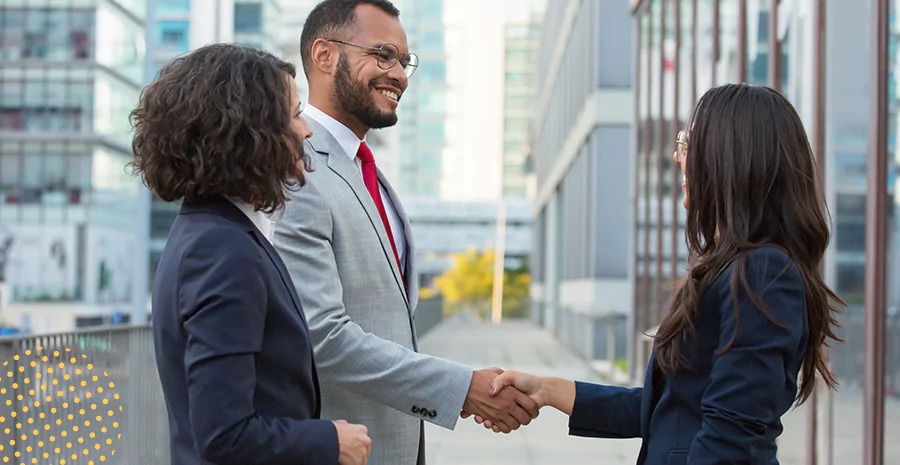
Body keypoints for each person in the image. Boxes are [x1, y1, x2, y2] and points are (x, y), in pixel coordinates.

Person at [481, 84, 844, 464]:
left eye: (688, 142)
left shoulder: (764, 274)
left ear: (731, 155)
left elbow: (728, 441)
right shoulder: (739, 268)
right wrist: (547, 389)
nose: (677, 156)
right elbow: (672, 410)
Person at [272, 1, 538, 464]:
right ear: (324, 54)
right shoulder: (299, 170)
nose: (400, 75)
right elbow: (322, 336)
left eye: (403, 60)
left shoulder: (370, 174)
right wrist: (462, 388)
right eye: (383, 55)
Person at [132, 43, 371, 465]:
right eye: (296, 114)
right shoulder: (224, 252)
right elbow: (225, 435)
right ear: (249, 129)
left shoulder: (210, 232)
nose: (307, 131)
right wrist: (330, 441)